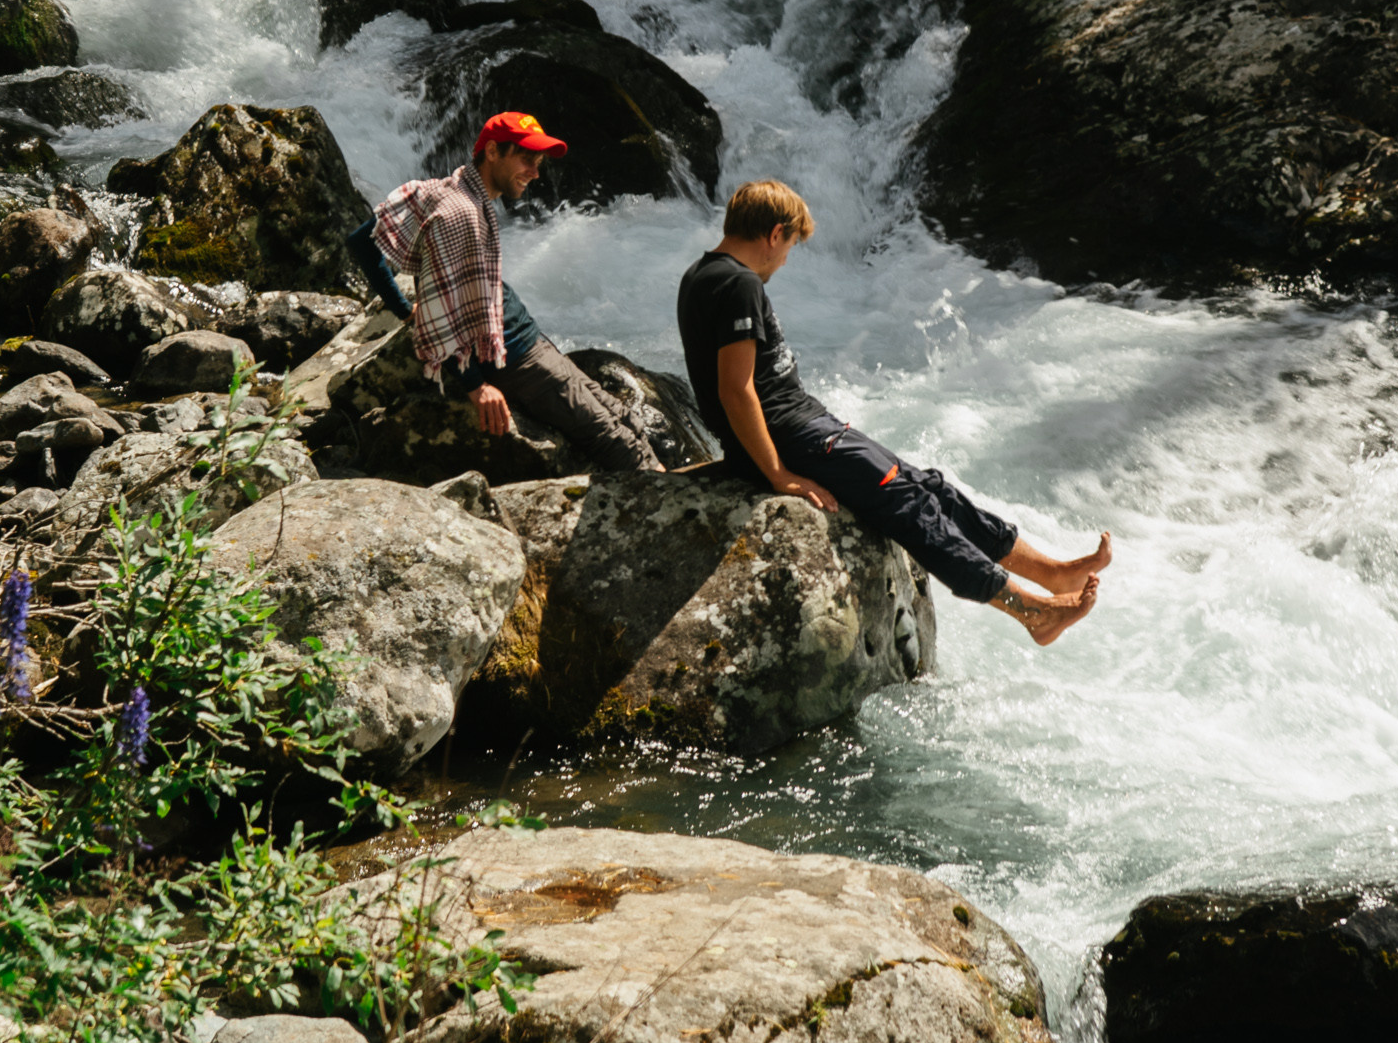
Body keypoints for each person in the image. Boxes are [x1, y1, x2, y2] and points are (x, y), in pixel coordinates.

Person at [676, 178, 1108, 645]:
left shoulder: (700, 274)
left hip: (804, 428)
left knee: (926, 486)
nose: (784, 261)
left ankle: (1052, 573)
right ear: (774, 233)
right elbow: (735, 390)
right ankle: (1033, 613)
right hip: (792, 438)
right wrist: (778, 473)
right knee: (910, 504)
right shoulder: (738, 283)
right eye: (790, 248)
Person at [349, 110, 664, 475]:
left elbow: (361, 242)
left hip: (525, 338)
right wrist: (474, 386)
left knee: (627, 417)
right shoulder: (460, 214)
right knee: (618, 441)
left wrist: (404, 308)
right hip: (517, 361)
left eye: (539, 161)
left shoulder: (445, 188)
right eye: (527, 159)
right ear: (493, 151)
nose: (535, 171)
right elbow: (443, 317)